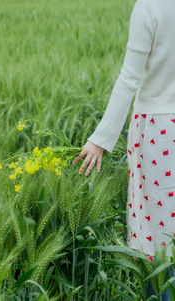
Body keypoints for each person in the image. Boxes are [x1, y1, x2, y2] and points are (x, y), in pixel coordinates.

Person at [73, 0, 175, 298]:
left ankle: (158, 294)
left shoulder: (148, 7)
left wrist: (100, 139)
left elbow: (129, 78)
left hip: (157, 133)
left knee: (155, 234)